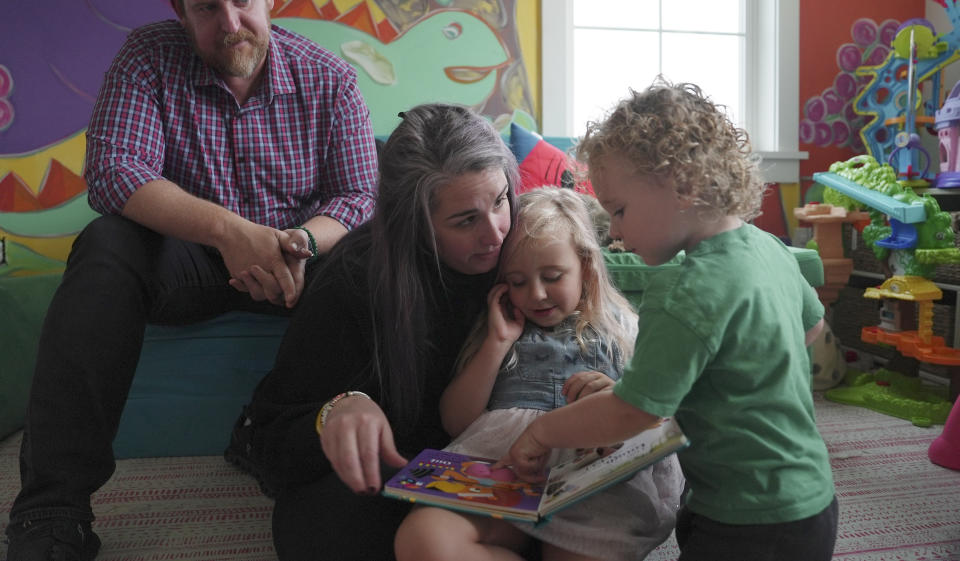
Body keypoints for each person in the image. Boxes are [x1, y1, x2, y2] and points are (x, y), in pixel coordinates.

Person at [4, 0, 378, 559]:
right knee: (106, 244)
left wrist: (294, 244)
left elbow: (359, 196)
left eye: (241, 1)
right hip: (189, 261)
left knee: (380, 258)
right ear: (179, 9)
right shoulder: (148, 55)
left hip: (297, 261)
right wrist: (231, 233)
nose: (229, 24)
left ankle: (291, 446)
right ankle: (51, 513)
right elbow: (116, 170)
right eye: (206, 8)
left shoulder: (331, 80)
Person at [501, 79, 838, 561]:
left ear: (683, 185)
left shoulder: (682, 292)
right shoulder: (771, 250)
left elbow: (634, 413)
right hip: (811, 499)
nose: (613, 232)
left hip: (745, 521)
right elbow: (811, 328)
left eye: (618, 210)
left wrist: (540, 432)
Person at [225, 103, 520, 561]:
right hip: (407, 466)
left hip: (511, 459)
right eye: (465, 220)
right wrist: (338, 412)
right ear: (416, 225)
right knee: (326, 531)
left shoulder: (528, 245)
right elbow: (273, 438)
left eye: (499, 201)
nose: (495, 235)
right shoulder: (355, 279)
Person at [394, 186, 685, 561]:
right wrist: (496, 343)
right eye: (517, 282)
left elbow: (663, 414)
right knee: (423, 539)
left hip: (594, 489)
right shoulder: (499, 330)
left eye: (552, 276)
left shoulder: (625, 329)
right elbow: (455, 422)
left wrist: (618, 393)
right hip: (503, 474)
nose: (536, 295)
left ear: (585, 265)